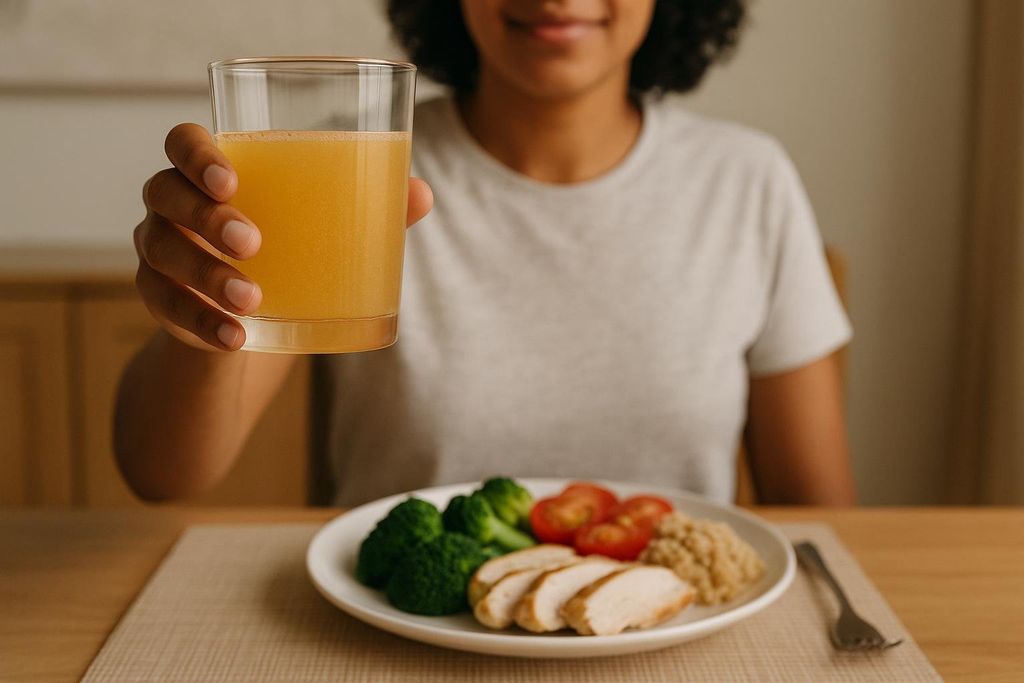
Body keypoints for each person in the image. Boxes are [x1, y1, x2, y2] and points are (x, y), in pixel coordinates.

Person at [116, 0, 856, 506]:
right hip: (392, 635)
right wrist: (204, 319)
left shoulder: (747, 179)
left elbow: (819, 512)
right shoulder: (354, 166)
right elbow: (161, 474)